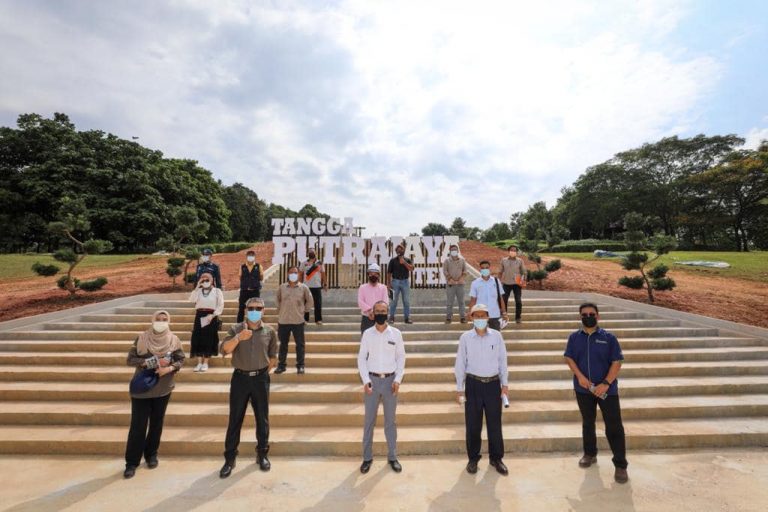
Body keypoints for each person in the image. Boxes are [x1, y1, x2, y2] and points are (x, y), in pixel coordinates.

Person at [564, 302, 629, 483]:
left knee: (614, 426)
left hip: (607, 391)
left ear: (598, 316)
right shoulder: (574, 337)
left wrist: (606, 383)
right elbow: (568, 357)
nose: (588, 317)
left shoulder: (609, 338)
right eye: (584, 314)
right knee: (588, 422)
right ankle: (589, 454)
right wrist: (580, 377)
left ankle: (620, 465)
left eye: (591, 314)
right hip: (583, 389)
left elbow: (617, 362)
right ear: (580, 317)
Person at [219, 297, 278, 478]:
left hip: (260, 379)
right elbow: (225, 350)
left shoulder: (270, 331)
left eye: (258, 308)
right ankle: (229, 458)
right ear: (245, 310)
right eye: (251, 307)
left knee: (262, 419)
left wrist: (261, 372)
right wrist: (238, 338)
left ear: (263, 310)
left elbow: (273, 357)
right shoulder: (236, 329)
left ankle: (262, 454)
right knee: (235, 418)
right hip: (240, 379)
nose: (254, 310)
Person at [124, 310, 185, 479]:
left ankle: (151, 454)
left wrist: (170, 368)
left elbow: (181, 360)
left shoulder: (174, 340)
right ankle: (131, 462)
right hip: (142, 389)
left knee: (157, 423)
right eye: (158, 319)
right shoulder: (142, 338)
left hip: (163, 389)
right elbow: (130, 359)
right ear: (152, 321)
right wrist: (152, 362)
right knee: (138, 426)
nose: (161, 322)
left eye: (164, 319)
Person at [454, 304, 509, 476]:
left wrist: (505, 385)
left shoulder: (497, 336)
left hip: (493, 385)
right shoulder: (465, 338)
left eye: (483, 315)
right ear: (471, 318)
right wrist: (459, 388)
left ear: (487, 317)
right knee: (473, 424)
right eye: (476, 315)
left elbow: (503, 361)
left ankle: (496, 458)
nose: (479, 318)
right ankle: (473, 458)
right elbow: (460, 363)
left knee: (494, 423)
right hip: (473, 384)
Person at [357, 300, 406, 474]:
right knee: (369, 421)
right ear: (373, 313)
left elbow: (401, 357)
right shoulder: (368, 334)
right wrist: (365, 380)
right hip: (372, 381)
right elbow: (362, 358)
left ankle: (392, 457)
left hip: (390, 382)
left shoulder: (396, 334)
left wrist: (398, 380)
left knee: (390, 422)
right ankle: (367, 458)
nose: (380, 313)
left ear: (388, 312)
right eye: (377, 310)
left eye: (383, 310)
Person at [274, 265, 314, 375]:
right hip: (283, 320)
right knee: (283, 344)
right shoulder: (282, 287)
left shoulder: (303, 287)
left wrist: (303, 311)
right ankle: (281, 366)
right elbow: (277, 300)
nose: (293, 274)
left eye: (295, 272)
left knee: (300, 345)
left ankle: (300, 366)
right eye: (291, 272)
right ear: (287, 274)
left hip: (298, 321)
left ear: (298, 274)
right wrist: (281, 309)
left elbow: (310, 301)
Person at [189, 272, 224, 372]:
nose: (205, 282)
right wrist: (197, 287)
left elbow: (220, 305)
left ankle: (205, 362)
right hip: (199, 315)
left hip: (211, 316)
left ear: (212, 280)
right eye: (203, 280)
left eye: (207, 280)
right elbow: (191, 300)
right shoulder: (199, 291)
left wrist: (213, 315)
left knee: (209, 338)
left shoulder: (217, 291)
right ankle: (199, 362)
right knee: (198, 337)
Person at [468, 260, 508, 330]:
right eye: (483, 268)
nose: (485, 269)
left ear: (489, 268)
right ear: (480, 269)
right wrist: (470, 313)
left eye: (487, 267)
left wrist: (504, 312)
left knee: (495, 336)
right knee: (480, 336)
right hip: (480, 315)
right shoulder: (475, 283)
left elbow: (500, 298)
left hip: (495, 314)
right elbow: (473, 300)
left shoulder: (496, 281)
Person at [357, 263, 389, 333]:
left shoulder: (383, 288)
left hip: (380, 318)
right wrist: (370, 311)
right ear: (368, 275)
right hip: (367, 318)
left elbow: (385, 302)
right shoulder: (362, 287)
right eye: (371, 274)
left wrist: (376, 312)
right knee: (366, 340)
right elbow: (360, 302)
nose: (373, 276)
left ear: (378, 275)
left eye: (375, 274)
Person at [499, 245, 526, 324]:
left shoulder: (520, 261)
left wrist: (523, 281)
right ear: (508, 251)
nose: (513, 252)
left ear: (516, 252)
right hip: (506, 283)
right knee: (504, 300)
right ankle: (504, 316)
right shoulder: (503, 260)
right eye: (511, 250)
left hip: (517, 284)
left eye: (514, 250)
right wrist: (498, 281)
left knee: (518, 301)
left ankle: (518, 317)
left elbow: (524, 272)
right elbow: (500, 271)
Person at [387, 244, 414, 324]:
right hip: (394, 282)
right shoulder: (392, 261)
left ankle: (407, 318)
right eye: (398, 250)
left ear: (404, 250)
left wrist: (404, 262)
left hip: (405, 282)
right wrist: (389, 284)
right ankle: (391, 317)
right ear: (396, 251)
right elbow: (389, 273)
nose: (399, 251)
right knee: (393, 301)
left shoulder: (408, 260)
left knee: (406, 301)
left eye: (401, 249)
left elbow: (412, 269)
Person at [300, 249, 326, 325]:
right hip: (306, 286)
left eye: (313, 252)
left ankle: (318, 320)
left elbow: (323, 274)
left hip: (317, 286)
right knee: (306, 303)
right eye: (310, 252)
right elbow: (300, 274)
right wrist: (299, 284)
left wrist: (325, 284)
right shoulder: (304, 263)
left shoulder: (319, 263)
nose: (311, 253)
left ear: (315, 253)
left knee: (318, 304)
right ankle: (305, 319)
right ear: (308, 253)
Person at [443, 243, 468, 324]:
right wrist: (450, 279)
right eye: (452, 250)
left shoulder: (462, 260)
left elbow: (465, 271)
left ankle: (463, 317)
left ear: (458, 251)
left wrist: (461, 279)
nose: (454, 251)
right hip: (450, 284)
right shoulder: (447, 261)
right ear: (450, 251)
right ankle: (448, 317)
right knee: (450, 302)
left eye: (455, 250)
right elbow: (445, 271)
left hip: (460, 284)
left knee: (461, 302)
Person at [237, 250, 262, 323]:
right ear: (246, 256)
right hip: (244, 291)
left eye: (252, 255)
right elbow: (240, 277)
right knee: (241, 308)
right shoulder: (242, 266)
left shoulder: (258, 266)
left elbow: (261, 277)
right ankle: (239, 325)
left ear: (254, 256)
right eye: (249, 255)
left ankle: (256, 323)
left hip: (255, 291)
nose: (250, 256)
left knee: (255, 308)